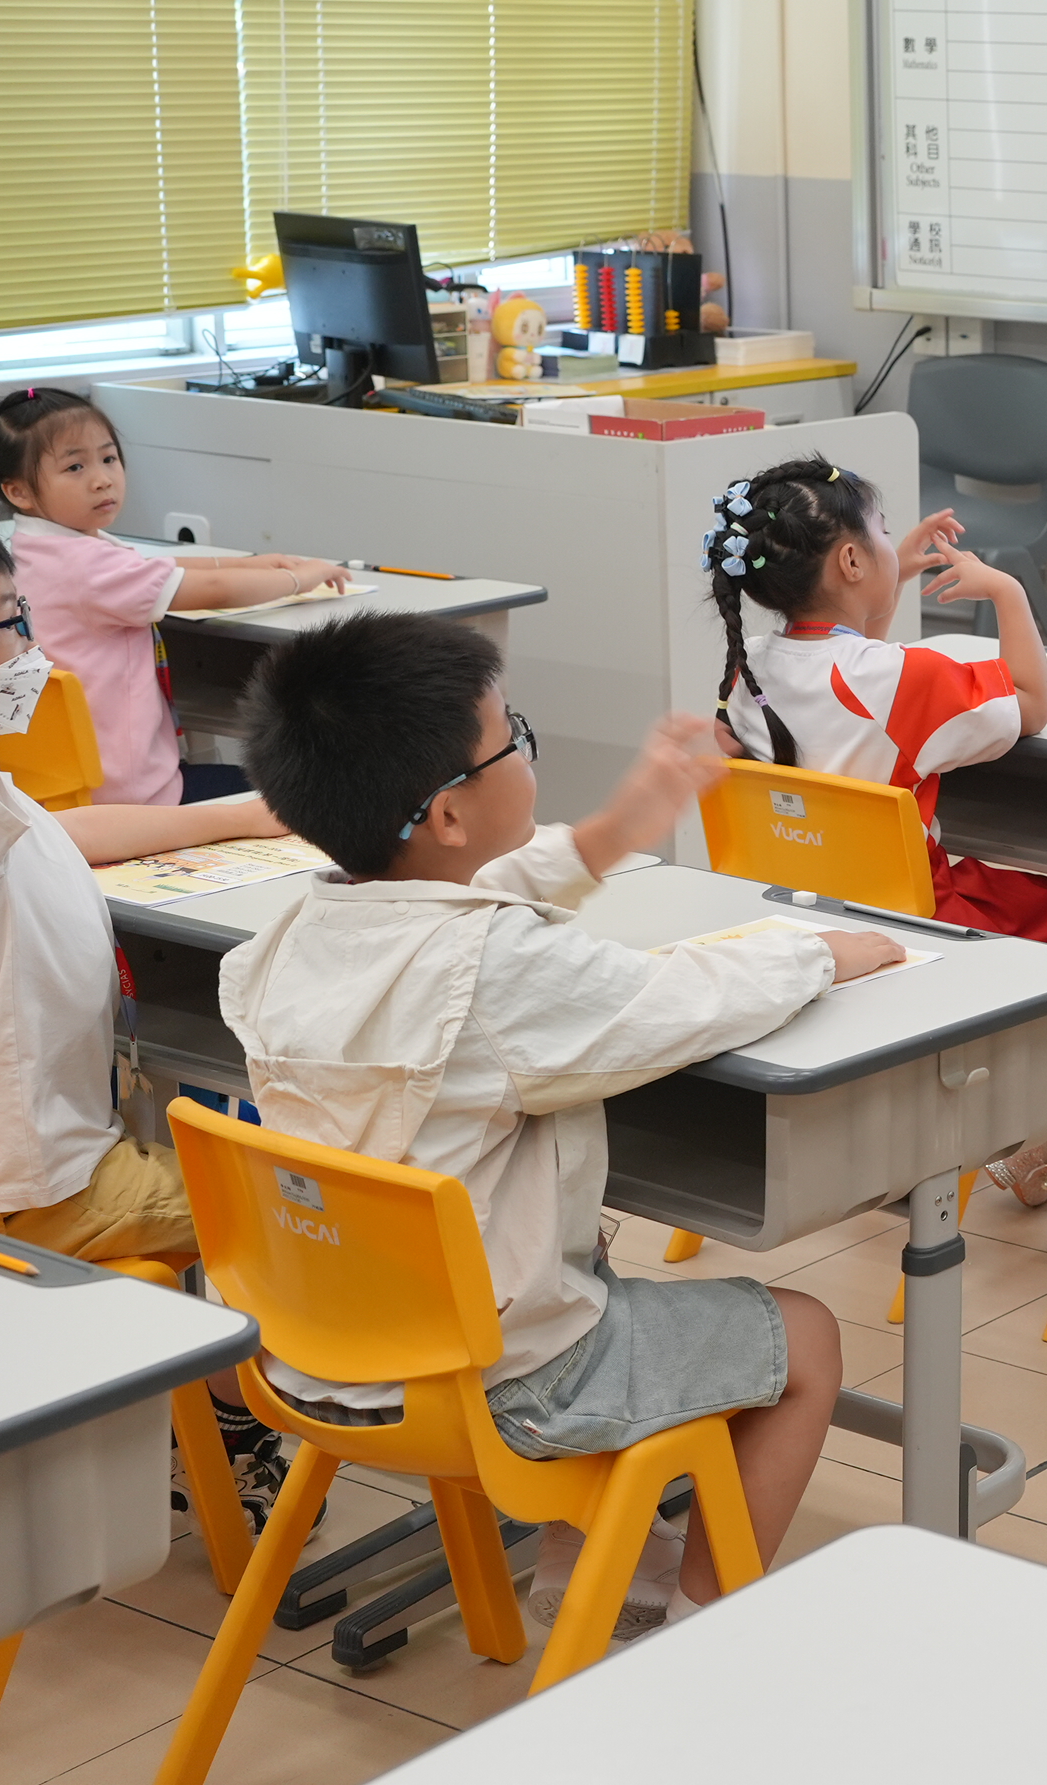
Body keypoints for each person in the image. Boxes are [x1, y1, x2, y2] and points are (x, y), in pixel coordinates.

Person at [222, 611, 897, 1631]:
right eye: (514, 738)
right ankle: (707, 1625)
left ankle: (596, 1564)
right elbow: (676, 1000)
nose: (527, 754)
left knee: (597, 1272)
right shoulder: (496, 970)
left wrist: (617, 827)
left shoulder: (285, 938)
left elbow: (468, 890)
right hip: (502, 1389)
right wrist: (816, 953)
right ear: (451, 812)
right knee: (805, 1337)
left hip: (320, 1358)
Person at [0, 377, 295, 1511]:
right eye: (14, 626)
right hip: (35, 1191)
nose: (27, 648)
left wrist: (229, 815)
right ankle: (233, 1427)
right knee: (288, 1206)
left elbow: (46, 831)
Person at [700, 454, 1047, 1207]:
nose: (894, 543)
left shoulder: (747, 673)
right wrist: (1009, 593)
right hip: (920, 916)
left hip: (804, 913)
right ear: (851, 561)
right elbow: (1030, 702)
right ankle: (1038, 1147)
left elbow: (854, 672)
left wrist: (889, 585)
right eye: (883, 532)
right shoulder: (902, 679)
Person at [0, 387, 347, 805]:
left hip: (70, 788)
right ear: (19, 492)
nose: (102, 479)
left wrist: (254, 563)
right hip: (134, 796)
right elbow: (213, 591)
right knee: (300, 792)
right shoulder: (90, 568)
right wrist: (300, 579)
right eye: (75, 467)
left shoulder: (35, 549)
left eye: (108, 458)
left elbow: (150, 568)